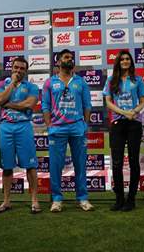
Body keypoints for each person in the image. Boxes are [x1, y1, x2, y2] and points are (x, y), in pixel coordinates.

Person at [42, 49, 93, 212]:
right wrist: (49, 124)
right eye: (66, 57)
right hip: (57, 128)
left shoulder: (81, 82)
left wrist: (84, 124)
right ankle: (57, 199)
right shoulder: (50, 82)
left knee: (80, 165)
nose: (69, 59)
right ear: (58, 62)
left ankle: (82, 198)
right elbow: (45, 106)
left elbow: (87, 105)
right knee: (56, 166)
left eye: (71, 57)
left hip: (77, 128)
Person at [0, 57, 41, 213]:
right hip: (6, 127)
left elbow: (29, 104)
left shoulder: (32, 86)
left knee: (30, 165)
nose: (18, 71)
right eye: (16, 68)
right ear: (11, 68)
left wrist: (7, 104)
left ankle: (34, 200)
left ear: (26, 71)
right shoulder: (2, 84)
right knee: (7, 166)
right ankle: (6, 201)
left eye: (22, 68)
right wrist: (12, 85)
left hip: (23, 127)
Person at [103, 51, 144, 211]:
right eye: (122, 59)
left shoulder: (138, 80)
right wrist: (123, 113)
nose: (125, 61)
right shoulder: (111, 80)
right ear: (118, 62)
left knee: (134, 161)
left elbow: (142, 102)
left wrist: (134, 112)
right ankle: (119, 199)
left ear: (131, 62)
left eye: (128, 59)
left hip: (134, 123)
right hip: (117, 123)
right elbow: (108, 102)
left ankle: (131, 199)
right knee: (117, 162)